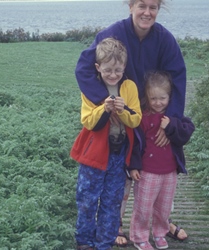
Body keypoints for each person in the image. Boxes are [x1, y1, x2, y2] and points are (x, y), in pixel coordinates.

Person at [75, 0, 188, 246]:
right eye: (141, 5)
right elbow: (84, 68)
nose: (147, 12)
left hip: (150, 119)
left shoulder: (165, 39)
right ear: (130, 6)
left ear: (159, 9)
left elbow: (178, 78)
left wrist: (171, 123)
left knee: (156, 174)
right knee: (123, 177)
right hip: (121, 119)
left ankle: (160, 221)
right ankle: (115, 224)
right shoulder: (112, 34)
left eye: (153, 7)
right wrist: (106, 102)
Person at [70, 37, 142, 250]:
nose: (113, 75)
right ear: (98, 67)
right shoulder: (90, 88)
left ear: (124, 68)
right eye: (108, 70)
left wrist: (123, 109)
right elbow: (88, 121)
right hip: (94, 155)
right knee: (87, 200)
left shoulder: (129, 87)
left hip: (118, 156)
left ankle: (105, 242)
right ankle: (84, 241)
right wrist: (104, 108)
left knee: (112, 201)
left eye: (118, 70)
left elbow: (136, 118)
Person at [129, 71, 195, 250]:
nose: (158, 103)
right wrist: (134, 166)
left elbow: (187, 132)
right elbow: (135, 142)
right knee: (143, 208)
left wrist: (171, 126)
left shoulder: (175, 117)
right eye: (153, 98)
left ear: (170, 97)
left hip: (169, 172)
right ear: (147, 98)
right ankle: (140, 237)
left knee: (164, 208)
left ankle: (160, 233)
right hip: (147, 172)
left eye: (162, 98)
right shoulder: (143, 117)